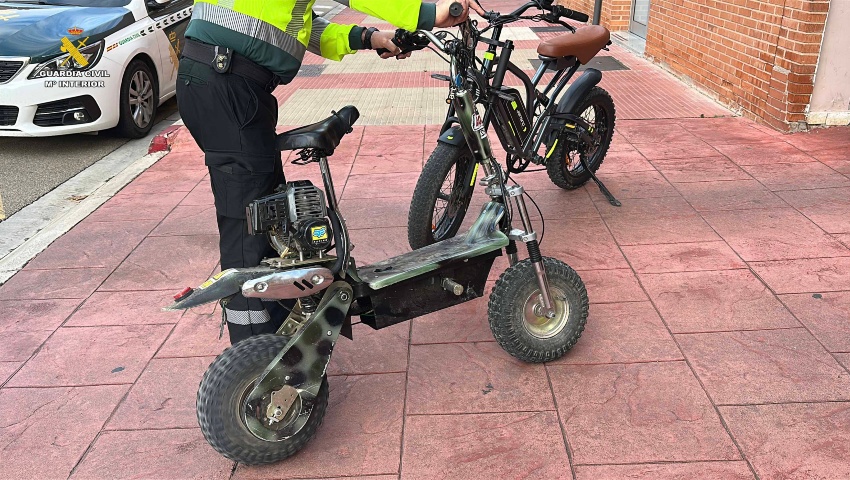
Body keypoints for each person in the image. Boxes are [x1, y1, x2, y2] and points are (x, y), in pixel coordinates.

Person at [176, 0, 484, 345]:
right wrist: (428, 14)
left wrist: (370, 38)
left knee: (267, 213)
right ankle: (256, 359)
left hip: (224, 81)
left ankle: (276, 329)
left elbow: (301, 27)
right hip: (227, 83)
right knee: (248, 223)